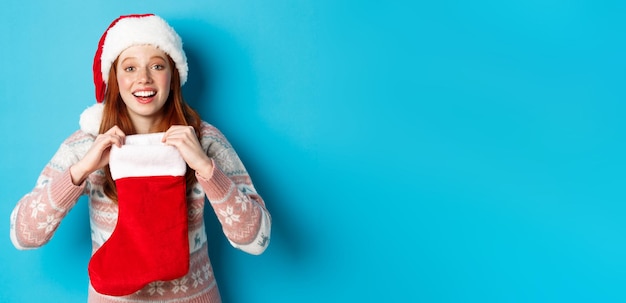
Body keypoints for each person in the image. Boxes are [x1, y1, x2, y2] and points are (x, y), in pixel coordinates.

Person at [9, 14, 271, 303]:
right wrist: (80, 171)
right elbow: (24, 235)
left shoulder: (204, 140)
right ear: (115, 78)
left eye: (157, 66)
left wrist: (206, 169)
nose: (143, 78)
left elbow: (257, 239)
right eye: (130, 67)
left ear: (173, 76)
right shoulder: (86, 144)